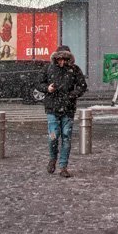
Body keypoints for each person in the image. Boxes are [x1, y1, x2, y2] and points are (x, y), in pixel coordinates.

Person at [40, 47, 87, 178]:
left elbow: (82, 86)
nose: (62, 61)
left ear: (68, 59)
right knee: (53, 137)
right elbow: (39, 83)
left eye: (65, 59)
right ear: (56, 58)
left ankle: (63, 166)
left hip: (68, 109)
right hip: (52, 108)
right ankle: (52, 158)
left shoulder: (74, 70)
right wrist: (47, 88)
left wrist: (72, 95)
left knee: (66, 137)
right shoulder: (48, 68)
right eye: (60, 58)